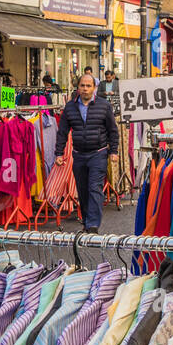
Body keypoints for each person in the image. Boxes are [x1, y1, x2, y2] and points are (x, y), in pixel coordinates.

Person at [54, 73, 119, 232]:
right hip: (79, 154)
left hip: (98, 153)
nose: (85, 89)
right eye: (82, 85)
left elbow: (113, 130)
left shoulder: (104, 105)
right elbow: (62, 131)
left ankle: (93, 225)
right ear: (78, 88)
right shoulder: (70, 107)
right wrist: (59, 153)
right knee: (82, 190)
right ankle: (86, 221)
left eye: (88, 86)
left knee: (94, 188)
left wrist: (114, 151)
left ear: (94, 88)